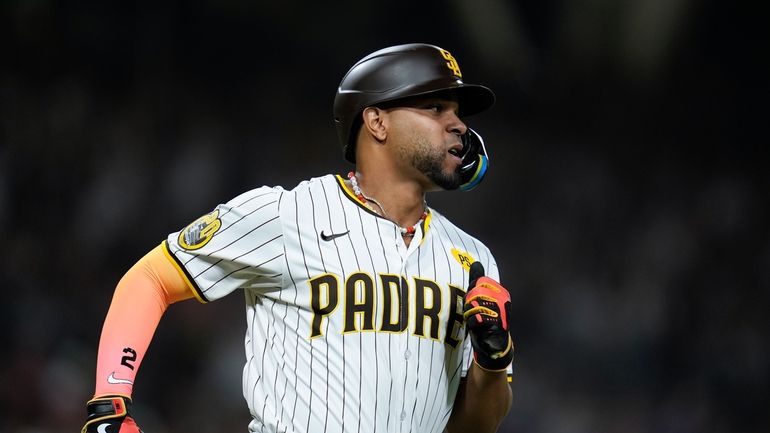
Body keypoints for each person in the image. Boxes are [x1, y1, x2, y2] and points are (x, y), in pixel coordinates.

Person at [81, 43, 514, 433]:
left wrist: (492, 362)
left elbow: (475, 428)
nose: (458, 124)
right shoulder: (288, 214)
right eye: (436, 107)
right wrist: (110, 400)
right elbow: (150, 279)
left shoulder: (473, 260)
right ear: (377, 121)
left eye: (457, 112)